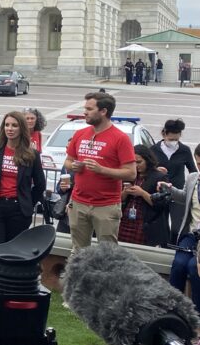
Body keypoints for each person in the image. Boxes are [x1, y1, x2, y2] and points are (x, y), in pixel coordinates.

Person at [64, 92, 136, 252]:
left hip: (106, 205)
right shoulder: (80, 134)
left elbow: (131, 173)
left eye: (89, 109)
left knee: (107, 255)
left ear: (103, 111)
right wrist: (73, 166)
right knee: (78, 252)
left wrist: (101, 169)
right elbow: (67, 161)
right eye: (85, 108)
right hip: (78, 202)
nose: (85, 112)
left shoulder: (120, 138)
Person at [0, 112, 46, 247]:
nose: (10, 128)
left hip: (19, 210)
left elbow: (40, 184)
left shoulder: (32, 154)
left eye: (14, 125)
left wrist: (27, 203)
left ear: (21, 128)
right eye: (7, 125)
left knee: (12, 252)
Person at [162, 144, 200, 313]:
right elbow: (185, 197)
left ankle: (196, 313)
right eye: (198, 163)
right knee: (178, 264)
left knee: (194, 267)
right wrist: (169, 189)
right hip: (192, 234)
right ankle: (173, 309)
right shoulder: (193, 177)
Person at [150, 119, 198, 243]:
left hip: (177, 193)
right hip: (159, 192)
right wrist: (155, 170)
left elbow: (193, 170)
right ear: (164, 134)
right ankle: (163, 247)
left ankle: (174, 247)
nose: (173, 142)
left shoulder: (185, 150)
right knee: (161, 225)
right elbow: (146, 170)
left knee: (177, 227)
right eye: (171, 139)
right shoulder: (154, 149)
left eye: (176, 140)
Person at [118, 145, 169, 247]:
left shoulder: (158, 176)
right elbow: (117, 199)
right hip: (125, 222)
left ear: (148, 160)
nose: (136, 166)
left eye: (139, 162)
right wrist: (125, 192)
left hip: (145, 224)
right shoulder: (129, 175)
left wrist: (142, 193)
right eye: (133, 162)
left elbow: (161, 204)